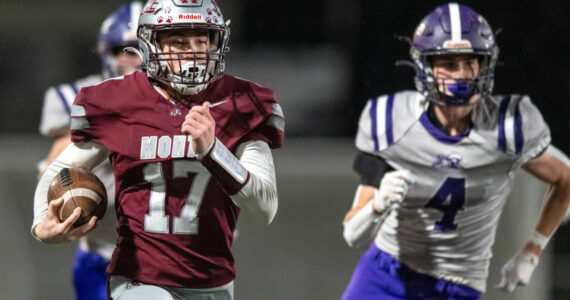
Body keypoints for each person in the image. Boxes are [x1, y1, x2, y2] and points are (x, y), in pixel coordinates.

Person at [32, 0, 285, 299]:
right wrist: (41, 224)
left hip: (213, 282)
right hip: (138, 278)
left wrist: (213, 152)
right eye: (178, 42)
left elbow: (265, 207)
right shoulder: (119, 101)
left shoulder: (244, 103)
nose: (193, 53)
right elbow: (59, 169)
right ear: (152, 46)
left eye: (201, 40)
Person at [341, 3, 570, 299]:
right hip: (387, 270)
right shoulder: (391, 121)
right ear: (427, 67)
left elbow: (565, 179)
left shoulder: (510, 127)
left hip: (457, 283)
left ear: (485, 63)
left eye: (470, 62)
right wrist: (378, 205)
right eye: (449, 63)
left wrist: (532, 250)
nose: (462, 75)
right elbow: (352, 235)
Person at [37, 2, 143, 300]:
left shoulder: (190, 104)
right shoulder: (84, 99)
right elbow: (58, 159)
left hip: (177, 253)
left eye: (145, 48)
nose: (136, 60)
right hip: (105, 253)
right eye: (126, 49)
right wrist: (57, 192)